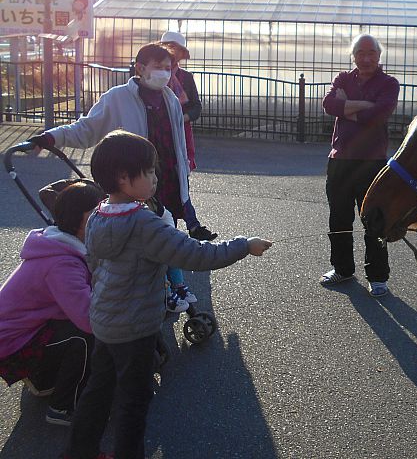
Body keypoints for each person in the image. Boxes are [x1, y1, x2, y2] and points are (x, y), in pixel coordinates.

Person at [62, 130, 272, 459]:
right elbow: (198, 256)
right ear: (123, 177)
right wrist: (244, 245)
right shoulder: (144, 224)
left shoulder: (99, 214)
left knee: (98, 392)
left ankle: (78, 452)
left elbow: (93, 263)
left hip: (104, 321)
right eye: (148, 171)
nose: (156, 177)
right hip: (134, 329)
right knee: (134, 402)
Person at [27, 42, 216, 314]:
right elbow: (87, 129)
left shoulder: (170, 98)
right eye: (158, 67)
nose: (164, 73)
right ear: (140, 68)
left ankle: (172, 287)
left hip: (165, 181)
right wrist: (52, 136)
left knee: (165, 233)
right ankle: (162, 291)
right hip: (132, 183)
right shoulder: (117, 97)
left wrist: (184, 171)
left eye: (168, 68)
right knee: (146, 240)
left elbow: (178, 141)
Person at [0, 181, 105, 426]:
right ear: (77, 219)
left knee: (80, 328)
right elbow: (89, 320)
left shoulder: (60, 244)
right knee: (86, 335)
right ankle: (62, 407)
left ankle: (44, 377)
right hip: (10, 343)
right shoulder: (62, 264)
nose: (103, 220)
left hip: (24, 329)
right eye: (96, 214)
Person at [319, 33, 400, 296]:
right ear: (353, 56)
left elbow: (380, 114)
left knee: (375, 220)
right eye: (360, 53)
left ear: (379, 55)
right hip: (340, 160)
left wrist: (347, 107)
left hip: (373, 162)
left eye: (371, 53)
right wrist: (363, 106)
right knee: (339, 218)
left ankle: (377, 276)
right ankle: (342, 269)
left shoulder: (389, 83)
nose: (366, 58)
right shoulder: (342, 78)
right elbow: (329, 104)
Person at [159, 30, 216, 312]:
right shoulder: (153, 75)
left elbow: (196, 106)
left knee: (178, 184)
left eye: (178, 51)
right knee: (160, 192)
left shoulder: (186, 78)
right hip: (155, 143)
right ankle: (186, 229)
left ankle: (180, 232)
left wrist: (181, 116)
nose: (175, 55)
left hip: (181, 135)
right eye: (171, 50)